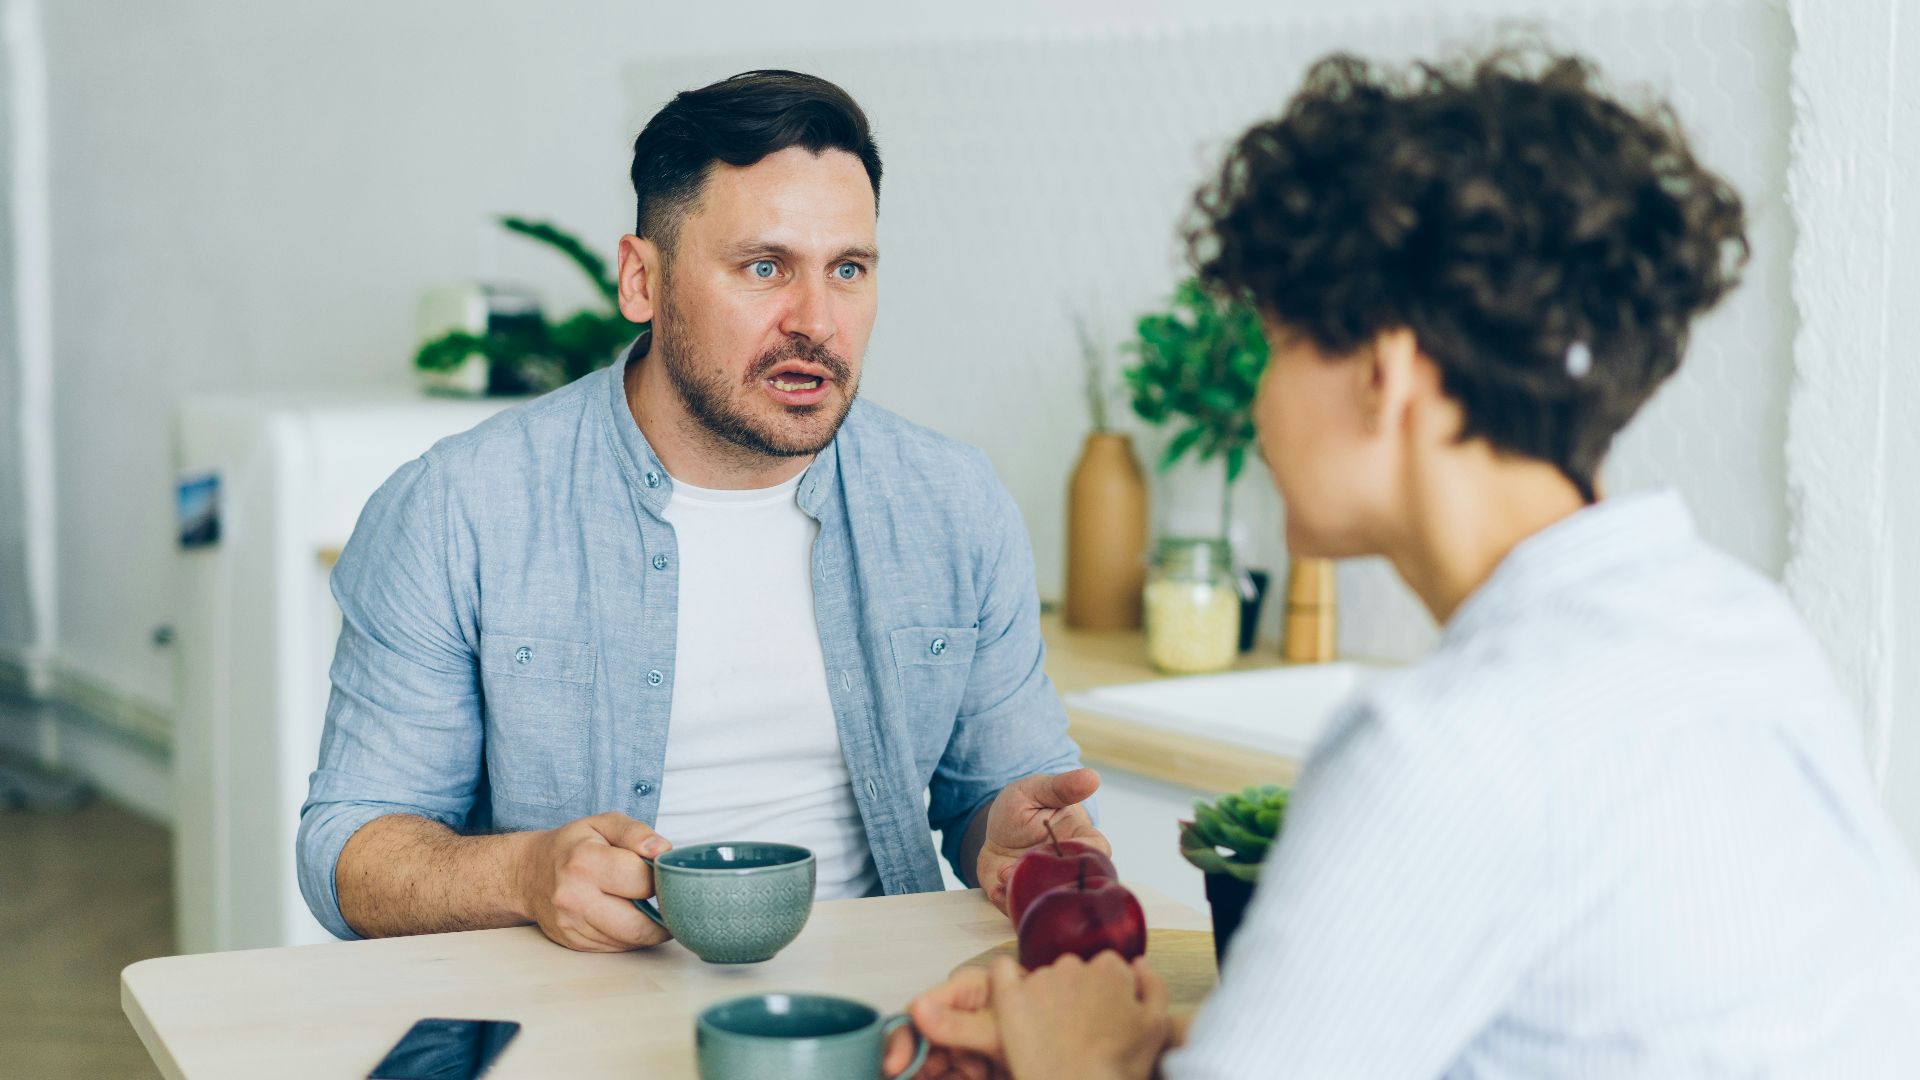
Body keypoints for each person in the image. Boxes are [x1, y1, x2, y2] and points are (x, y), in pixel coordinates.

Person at [894, 48, 1920, 1078]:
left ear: (1382, 377)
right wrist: (1146, 1047)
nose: (1258, 408)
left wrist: (1072, 1059)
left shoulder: (1443, 749)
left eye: (1278, 343)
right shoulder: (1742, 629)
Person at [296, 70, 1108, 951]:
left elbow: (998, 794)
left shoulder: (954, 504)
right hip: (578, 1008)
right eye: (765, 268)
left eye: (848, 269)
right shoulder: (459, 510)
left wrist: (1012, 841)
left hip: (882, 1005)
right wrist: (524, 875)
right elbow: (349, 851)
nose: (818, 322)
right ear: (643, 281)